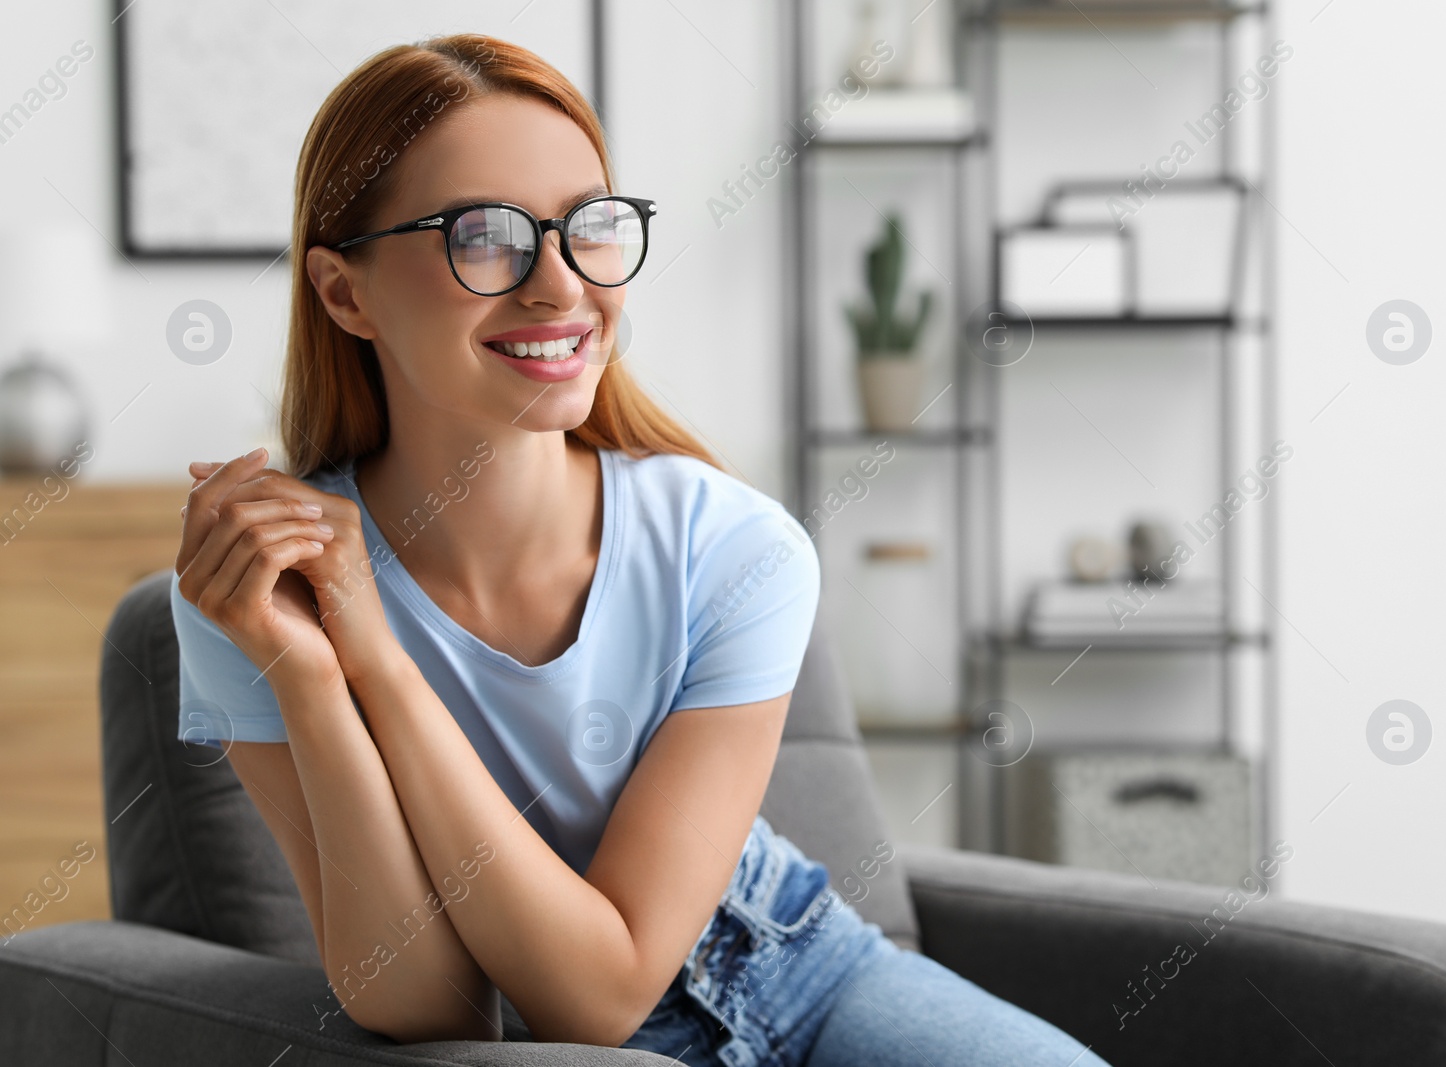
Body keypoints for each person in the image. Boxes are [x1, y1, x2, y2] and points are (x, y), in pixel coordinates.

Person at [171, 32, 1109, 1067]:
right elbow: (437, 1009)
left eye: (591, 227)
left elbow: (614, 974)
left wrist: (379, 660)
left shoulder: (737, 549)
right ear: (346, 293)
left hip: (793, 970)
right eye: (484, 235)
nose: (562, 286)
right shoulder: (266, 591)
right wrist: (314, 670)